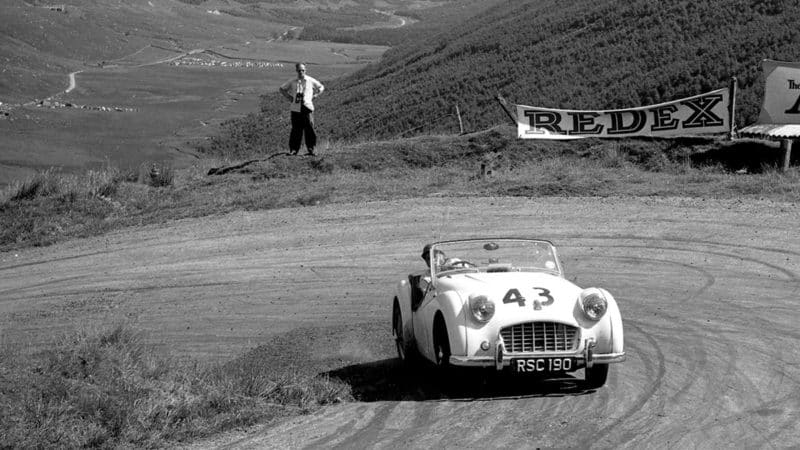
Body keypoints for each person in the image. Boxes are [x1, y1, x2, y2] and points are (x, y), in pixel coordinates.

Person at [279, 63, 324, 156]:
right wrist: (289, 97)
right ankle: (294, 150)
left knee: (310, 129)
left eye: (303, 70)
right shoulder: (292, 81)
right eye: (299, 70)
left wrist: (316, 95)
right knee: (296, 130)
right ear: (296, 71)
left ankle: (312, 149)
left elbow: (321, 87)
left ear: (305, 70)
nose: (301, 72)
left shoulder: (310, 80)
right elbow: (282, 89)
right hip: (296, 108)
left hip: (307, 107)